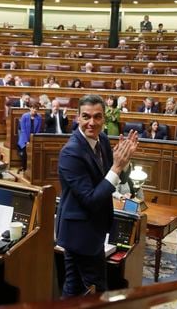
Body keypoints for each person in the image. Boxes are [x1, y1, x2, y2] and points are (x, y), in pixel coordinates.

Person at [56, 94, 138, 297]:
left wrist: (124, 162)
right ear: (77, 118)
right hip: (81, 232)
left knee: (73, 286)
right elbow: (91, 199)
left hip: (90, 229)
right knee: (97, 290)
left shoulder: (101, 139)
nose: (91, 123)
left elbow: (113, 174)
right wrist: (118, 166)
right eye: (86, 116)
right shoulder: (70, 153)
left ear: (104, 119)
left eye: (97, 117)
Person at [17, 101, 42, 172]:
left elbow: (38, 130)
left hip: (33, 138)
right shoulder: (24, 116)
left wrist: (33, 140)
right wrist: (26, 141)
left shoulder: (39, 117)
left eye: (36, 109)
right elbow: (23, 130)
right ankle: (25, 168)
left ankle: (32, 169)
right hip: (24, 138)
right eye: (33, 108)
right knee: (25, 151)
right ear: (30, 108)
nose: (35, 110)